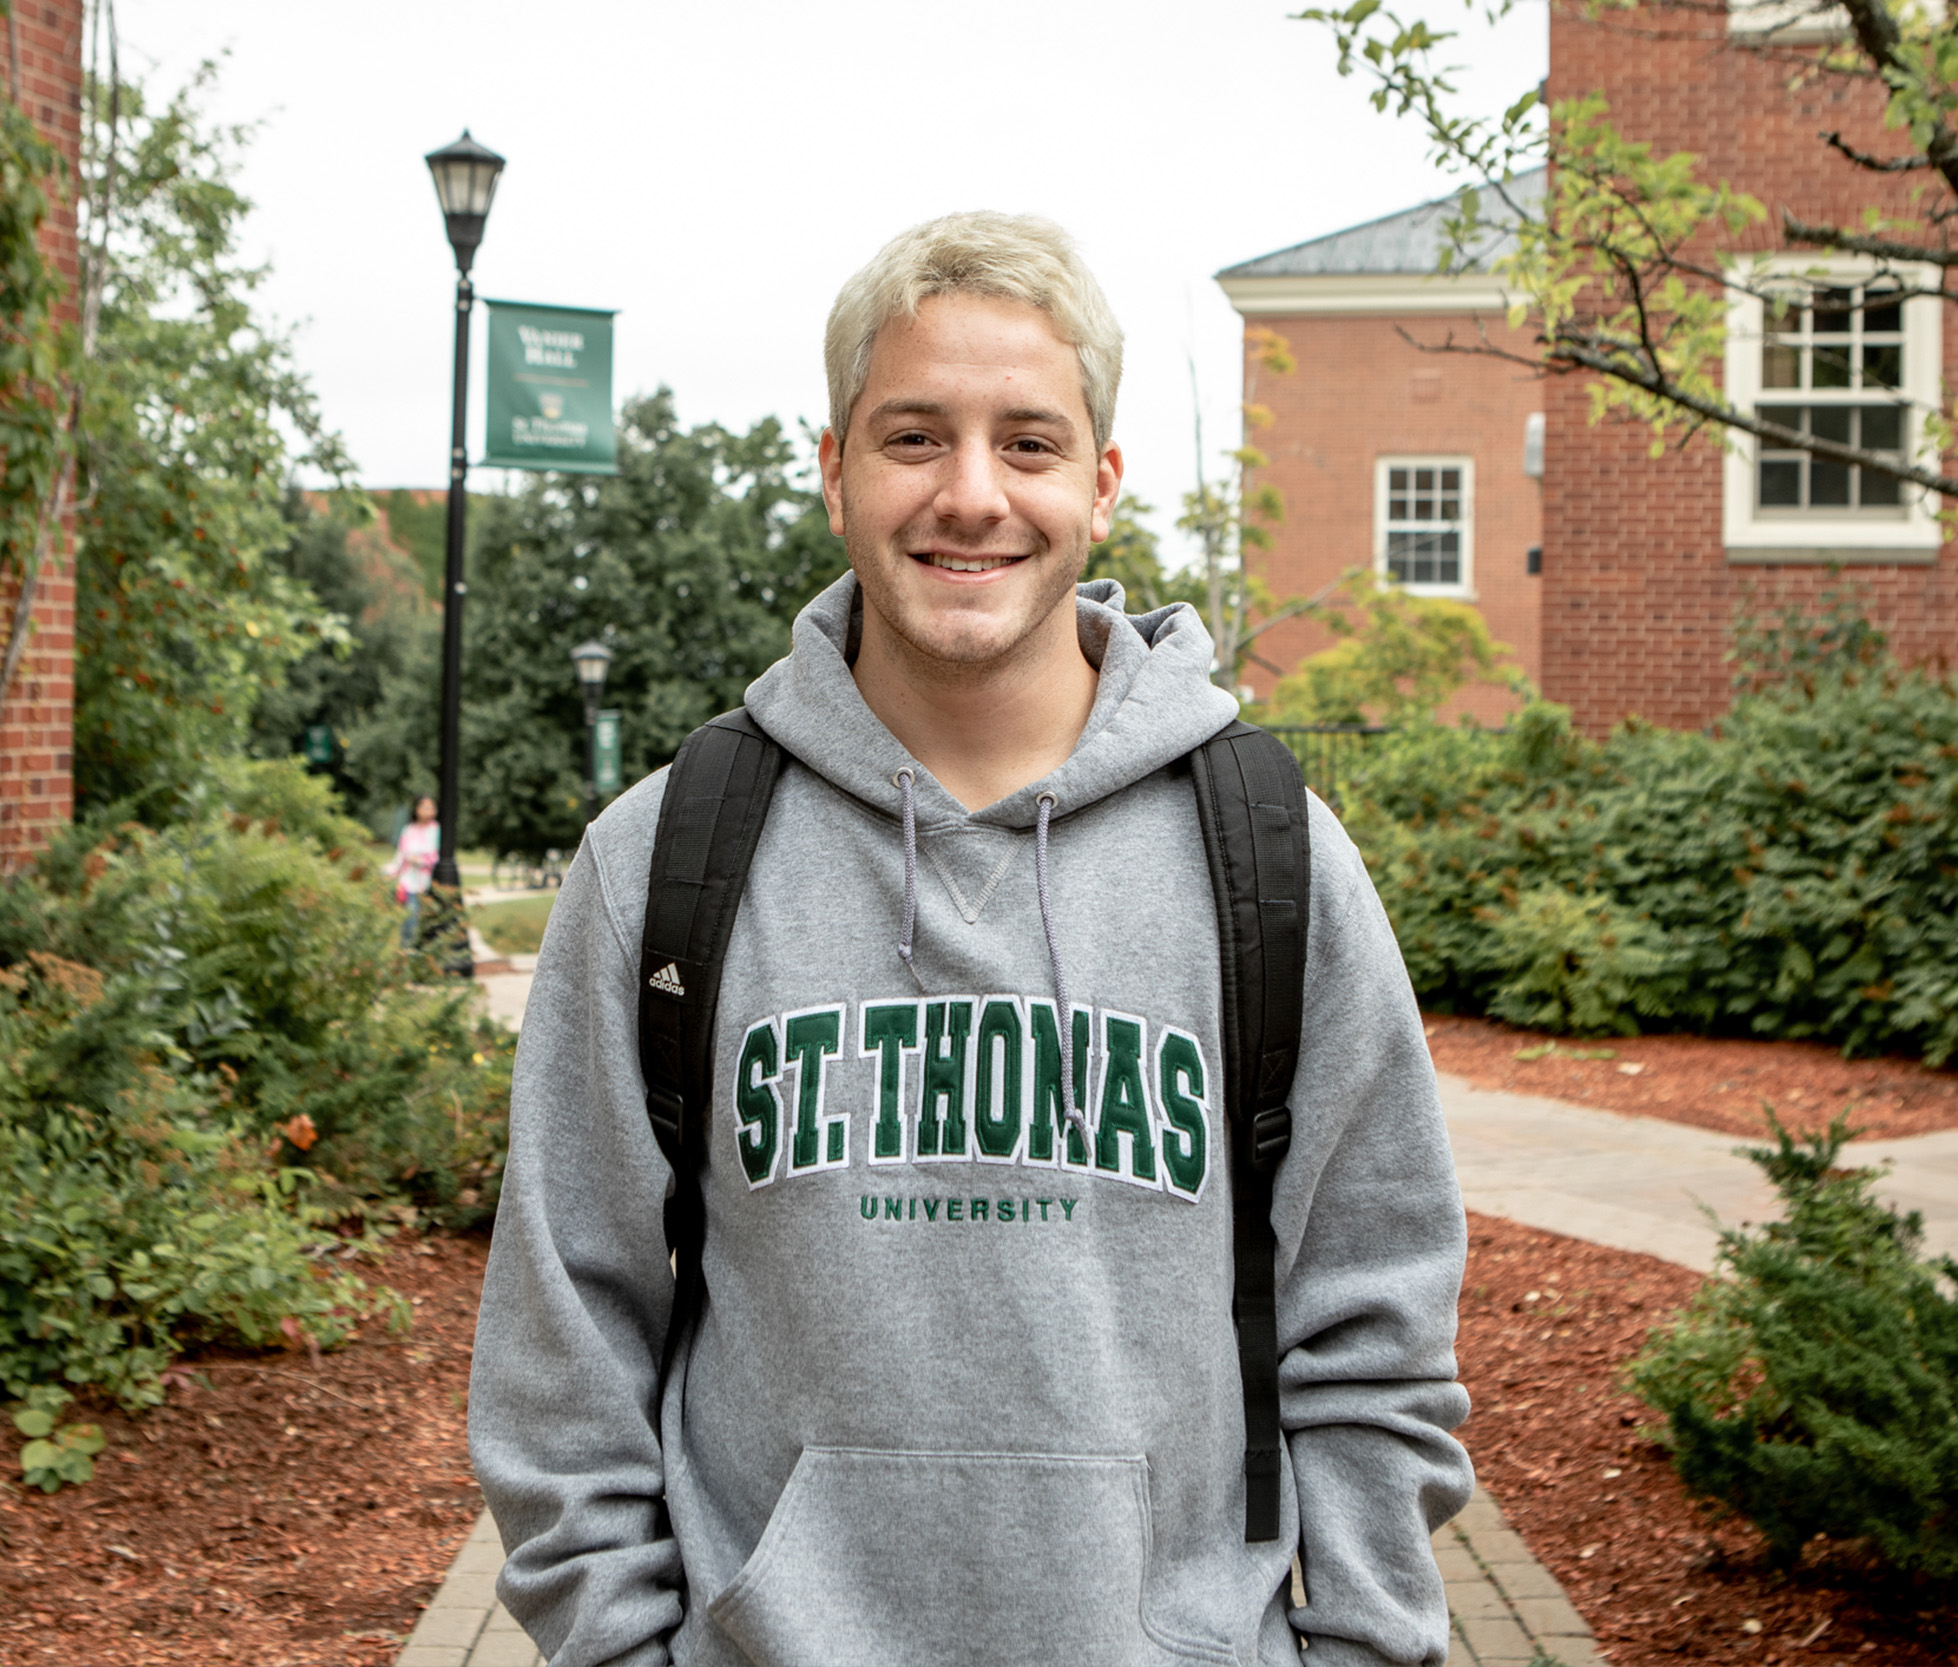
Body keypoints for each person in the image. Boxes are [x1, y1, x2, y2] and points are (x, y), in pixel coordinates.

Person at [469, 212, 1472, 1667]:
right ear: (832, 472)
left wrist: (1366, 1639)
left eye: (1029, 441)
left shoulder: (1270, 856)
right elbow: (568, 1329)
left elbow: (1372, 1317)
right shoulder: (666, 858)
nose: (971, 494)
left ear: (1101, 485)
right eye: (913, 437)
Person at [386, 794, 439, 948]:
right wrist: (390, 872)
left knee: (425, 924)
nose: (428, 811)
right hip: (409, 882)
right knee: (408, 922)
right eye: (424, 807)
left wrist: (420, 860)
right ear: (417, 809)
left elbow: (435, 855)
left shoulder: (435, 829)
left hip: (427, 882)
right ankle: (406, 954)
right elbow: (401, 856)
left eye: (431, 807)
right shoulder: (409, 829)